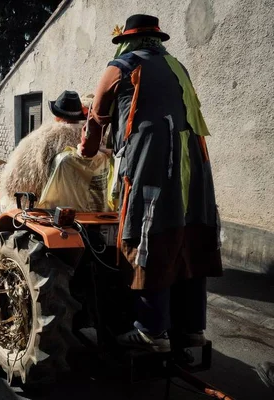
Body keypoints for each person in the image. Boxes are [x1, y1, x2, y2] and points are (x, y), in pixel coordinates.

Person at [79, 14, 222, 352]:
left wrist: (84, 153)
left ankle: (151, 332)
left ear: (127, 40)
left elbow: (95, 119)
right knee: (187, 235)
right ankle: (191, 333)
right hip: (194, 165)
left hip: (152, 163)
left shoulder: (120, 66)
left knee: (150, 234)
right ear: (157, 40)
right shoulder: (178, 67)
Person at [0, 90, 90, 212]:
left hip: (50, 210)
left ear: (56, 116)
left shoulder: (41, 139)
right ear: (79, 116)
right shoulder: (93, 139)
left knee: (2, 205)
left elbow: (12, 184)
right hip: (88, 207)